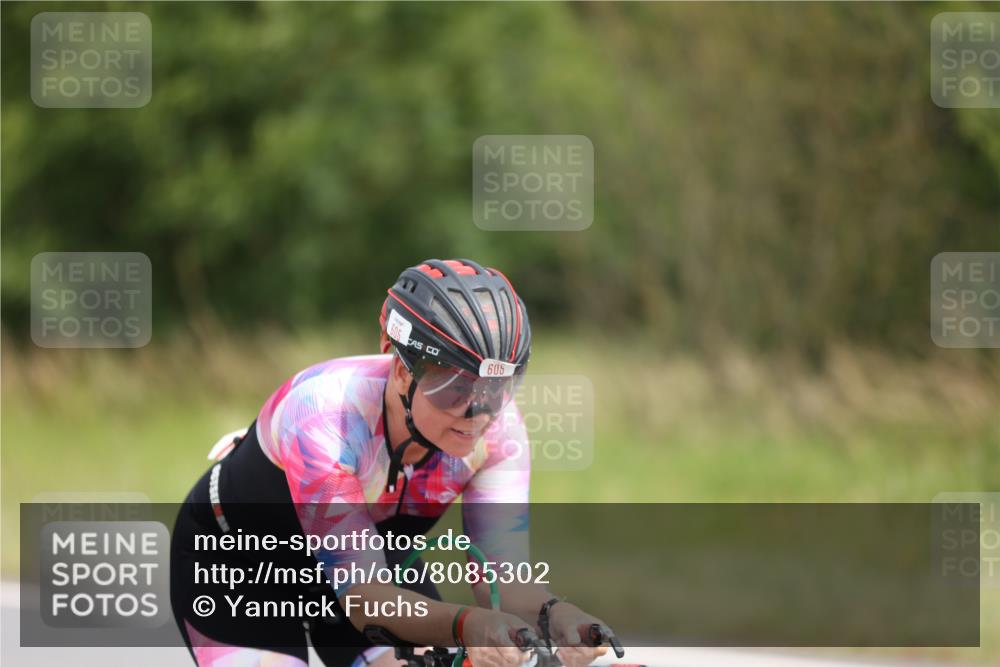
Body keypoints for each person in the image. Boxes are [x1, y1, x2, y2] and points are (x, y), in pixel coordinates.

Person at [170, 259, 610, 667]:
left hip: (369, 562)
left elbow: (506, 582)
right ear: (402, 369)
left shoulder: (499, 433)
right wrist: (466, 625)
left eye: (498, 388)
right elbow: (365, 598)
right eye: (456, 386)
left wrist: (557, 614)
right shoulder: (325, 415)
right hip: (241, 567)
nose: (479, 413)